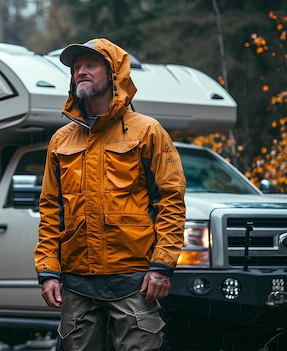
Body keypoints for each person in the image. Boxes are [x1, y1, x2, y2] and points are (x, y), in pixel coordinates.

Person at [34, 38, 187, 351]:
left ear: (114, 73)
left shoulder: (148, 131)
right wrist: (48, 271)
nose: (80, 72)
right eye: (76, 68)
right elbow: (51, 209)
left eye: (90, 65)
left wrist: (162, 266)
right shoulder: (60, 141)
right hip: (77, 288)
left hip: (135, 284)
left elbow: (171, 200)